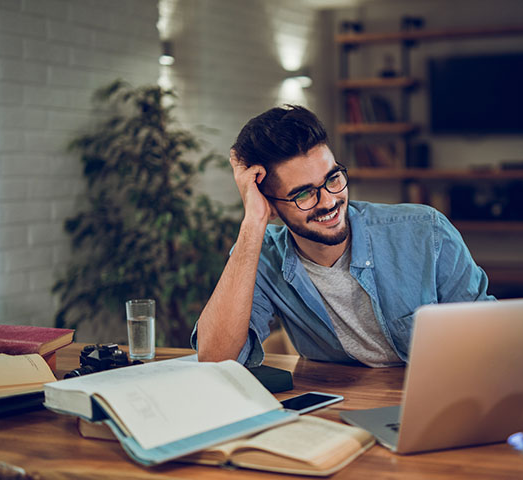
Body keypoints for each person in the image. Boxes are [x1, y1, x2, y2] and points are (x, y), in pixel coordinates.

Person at [192, 105, 493, 367]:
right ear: (270, 205)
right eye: (304, 194)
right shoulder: (263, 256)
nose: (328, 201)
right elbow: (217, 359)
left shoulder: (425, 230)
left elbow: (488, 337)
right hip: (342, 406)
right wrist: (252, 222)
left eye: (333, 178)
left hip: (434, 397)